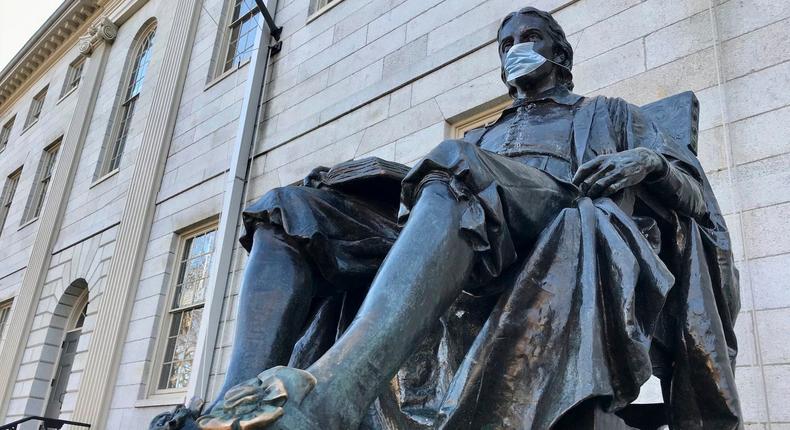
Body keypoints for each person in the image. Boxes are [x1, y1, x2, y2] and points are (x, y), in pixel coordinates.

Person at [174, 7, 742, 430]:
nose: (516, 49)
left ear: (560, 54)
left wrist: (647, 162)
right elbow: (432, 204)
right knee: (288, 208)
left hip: (555, 222)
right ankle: (237, 405)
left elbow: (694, 197)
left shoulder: (607, 114)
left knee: (457, 164)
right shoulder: (480, 135)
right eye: (507, 43)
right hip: (470, 227)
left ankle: (338, 393)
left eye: (530, 37)